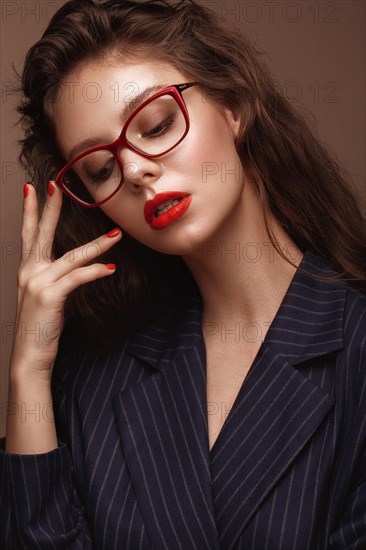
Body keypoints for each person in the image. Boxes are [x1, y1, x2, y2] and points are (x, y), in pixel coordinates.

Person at [1, 0, 365, 548]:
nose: (135, 170)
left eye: (157, 124)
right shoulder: (94, 373)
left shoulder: (353, 345)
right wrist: (28, 370)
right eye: (99, 169)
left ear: (235, 105)